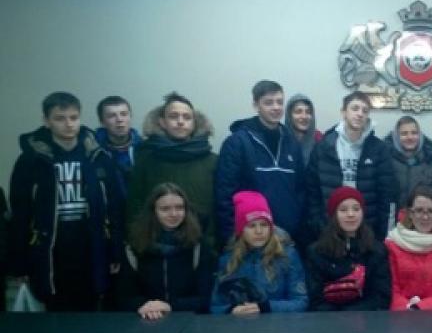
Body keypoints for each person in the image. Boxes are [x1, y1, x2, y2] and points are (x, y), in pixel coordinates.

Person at [8, 92, 124, 311]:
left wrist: (116, 249)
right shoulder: (31, 160)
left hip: (91, 242)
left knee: (92, 304)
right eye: (60, 118)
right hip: (49, 246)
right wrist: (19, 262)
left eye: (73, 117)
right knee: (54, 307)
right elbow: (20, 213)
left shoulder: (97, 155)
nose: (69, 124)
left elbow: (115, 208)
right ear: (46, 121)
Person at [215, 81, 305, 245]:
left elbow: (300, 190)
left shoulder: (292, 142)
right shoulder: (237, 143)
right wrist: (230, 238)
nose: (276, 107)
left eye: (279, 102)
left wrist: (298, 226)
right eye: (268, 102)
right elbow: (225, 194)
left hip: (288, 237)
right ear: (256, 105)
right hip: (251, 237)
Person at [127, 92, 217, 245]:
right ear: (162, 122)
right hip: (155, 244)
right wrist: (136, 240)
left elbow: (218, 207)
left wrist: (212, 242)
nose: (180, 122)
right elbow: (135, 204)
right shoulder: (146, 159)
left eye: (187, 117)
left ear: (194, 123)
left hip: (202, 243)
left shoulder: (212, 161)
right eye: (174, 116)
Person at [116, 183, 214, 319]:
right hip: (146, 319)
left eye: (179, 208)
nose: (173, 214)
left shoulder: (198, 246)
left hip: (189, 320)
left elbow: (205, 298)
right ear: (153, 211)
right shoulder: (134, 247)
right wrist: (145, 306)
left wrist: (169, 306)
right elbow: (123, 297)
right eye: (165, 209)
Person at [305, 91, 394, 240]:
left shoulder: (379, 149)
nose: (360, 114)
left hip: (367, 227)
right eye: (355, 108)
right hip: (330, 227)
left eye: (365, 111)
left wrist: (380, 231)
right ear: (343, 112)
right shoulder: (324, 147)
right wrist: (318, 224)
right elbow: (312, 191)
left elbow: (386, 194)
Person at [210, 191, 307, 314]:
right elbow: (216, 306)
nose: (259, 231)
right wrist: (231, 310)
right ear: (241, 230)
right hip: (240, 323)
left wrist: (266, 307)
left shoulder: (287, 256)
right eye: (252, 226)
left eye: (264, 225)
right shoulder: (228, 260)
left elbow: (300, 302)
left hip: (278, 324)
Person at [305, 187, 391, 311]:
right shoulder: (317, 252)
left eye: (356, 209)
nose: (351, 214)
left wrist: (351, 314)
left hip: (367, 318)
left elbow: (381, 296)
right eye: (343, 210)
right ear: (334, 215)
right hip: (328, 319)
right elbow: (316, 299)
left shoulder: (376, 250)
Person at [384, 116, 432, 214]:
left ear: (420, 135)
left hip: (423, 216)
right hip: (392, 217)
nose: (410, 137)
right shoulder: (385, 160)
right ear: (396, 137)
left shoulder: (430, 160)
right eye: (404, 134)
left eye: (414, 133)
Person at [94, 95, 142, 194]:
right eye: (112, 116)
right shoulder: (93, 152)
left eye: (124, 114)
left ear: (130, 117)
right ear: (102, 122)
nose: (119, 119)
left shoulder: (144, 149)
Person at [285, 93, 322, 167]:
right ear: (289, 115)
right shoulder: (280, 139)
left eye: (308, 112)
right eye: (298, 112)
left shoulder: (319, 139)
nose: (304, 116)